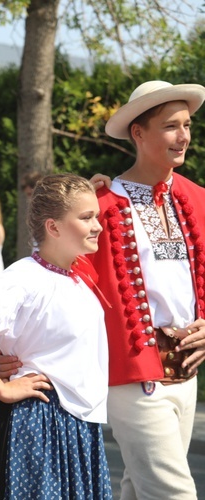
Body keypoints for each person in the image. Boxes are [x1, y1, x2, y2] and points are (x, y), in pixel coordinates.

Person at [0, 173, 112, 499]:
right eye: (87, 218)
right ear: (53, 227)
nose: (97, 225)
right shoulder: (22, 279)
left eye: (96, 216)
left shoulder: (78, 278)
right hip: (37, 423)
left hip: (76, 426)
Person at [93, 80, 205, 499]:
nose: (184, 136)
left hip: (186, 371)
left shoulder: (198, 198)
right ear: (138, 133)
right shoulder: (98, 205)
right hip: (130, 373)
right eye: (170, 126)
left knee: (138, 489)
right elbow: (62, 276)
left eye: (187, 125)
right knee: (173, 492)